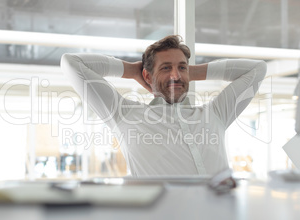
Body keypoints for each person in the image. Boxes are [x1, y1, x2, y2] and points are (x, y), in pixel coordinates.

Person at [60, 35, 267, 177]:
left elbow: (257, 69)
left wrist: (188, 73)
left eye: (181, 67)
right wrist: (133, 70)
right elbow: (72, 63)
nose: (175, 75)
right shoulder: (125, 115)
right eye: (166, 68)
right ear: (147, 76)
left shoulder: (216, 113)